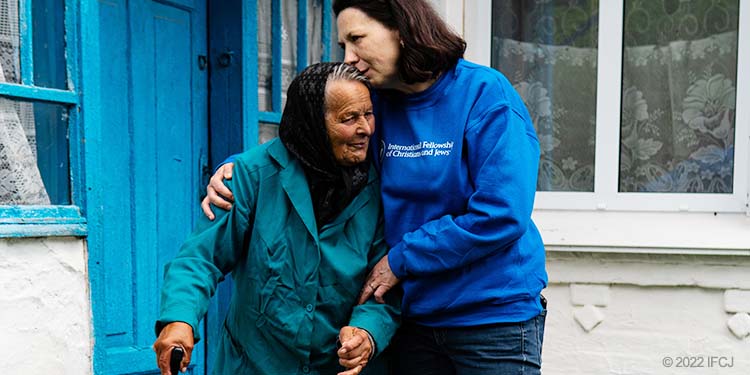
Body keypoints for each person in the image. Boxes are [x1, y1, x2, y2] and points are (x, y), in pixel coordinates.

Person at [203, 1, 548, 373]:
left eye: (357, 39)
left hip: (490, 318)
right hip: (411, 317)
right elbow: (306, 143)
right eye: (342, 47)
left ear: (401, 29)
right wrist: (236, 169)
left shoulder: (484, 94)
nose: (349, 57)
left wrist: (401, 259)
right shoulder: (374, 104)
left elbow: (502, 213)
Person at [153, 62, 400, 375]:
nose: (365, 128)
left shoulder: (378, 189)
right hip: (254, 365)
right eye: (349, 118)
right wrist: (179, 320)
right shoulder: (252, 176)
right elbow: (201, 258)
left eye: (368, 114)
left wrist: (367, 332)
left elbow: (383, 284)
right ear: (313, 123)